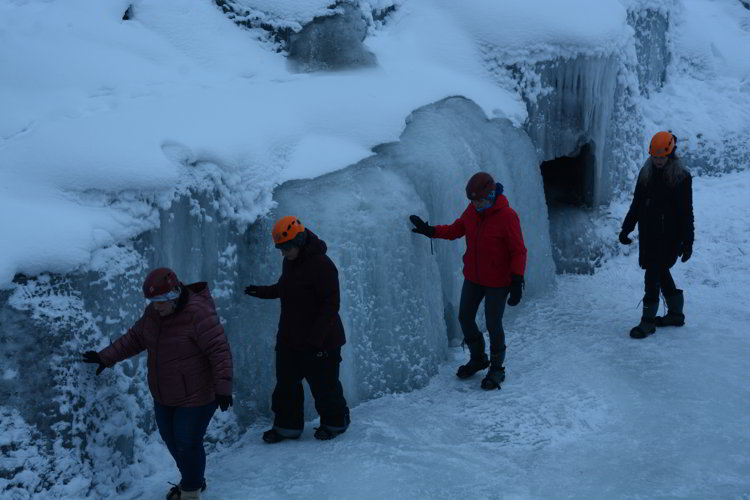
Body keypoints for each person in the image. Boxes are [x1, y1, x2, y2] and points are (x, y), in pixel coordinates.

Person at [82, 268, 233, 500]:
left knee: (187, 443)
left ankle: (190, 491)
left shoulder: (198, 313)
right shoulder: (154, 314)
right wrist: (105, 356)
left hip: (198, 395)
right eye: (152, 301)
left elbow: (219, 351)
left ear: (175, 292)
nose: (157, 306)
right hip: (165, 394)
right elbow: (135, 338)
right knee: (172, 441)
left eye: (161, 300)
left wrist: (223, 388)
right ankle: (193, 480)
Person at [409, 172, 527, 390]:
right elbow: (456, 229)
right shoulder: (472, 212)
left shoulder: (507, 216)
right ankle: (478, 358)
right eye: (472, 201)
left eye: (479, 200)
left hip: (498, 282)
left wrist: (517, 279)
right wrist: (430, 231)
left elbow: (518, 251)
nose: (475, 204)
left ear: (491, 195)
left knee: (493, 324)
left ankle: (497, 369)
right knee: (465, 317)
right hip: (473, 277)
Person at [245, 216, 350, 443]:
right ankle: (287, 427)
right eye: (281, 249)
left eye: (287, 248)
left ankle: (335, 423)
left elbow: (330, 305)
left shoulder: (322, 265)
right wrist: (261, 292)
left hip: (321, 341)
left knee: (325, 386)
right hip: (290, 338)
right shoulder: (291, 262)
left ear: (300, 241)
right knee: (286, 386)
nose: (284, 253)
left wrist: (316, 341)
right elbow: (285, 288)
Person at [619, 131, 694, 339]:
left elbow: (686, 213)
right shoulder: (646, 174)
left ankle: (647, 322)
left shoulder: (681, 178)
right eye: (655, 156)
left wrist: (687, 243)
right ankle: (676, 314)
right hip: (649, 235)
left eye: (662, 157)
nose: (658, 161)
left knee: (652, 275)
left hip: (670, 238)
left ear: (670, 153)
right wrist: (627, 228)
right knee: (660, 272)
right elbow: (637, 205)